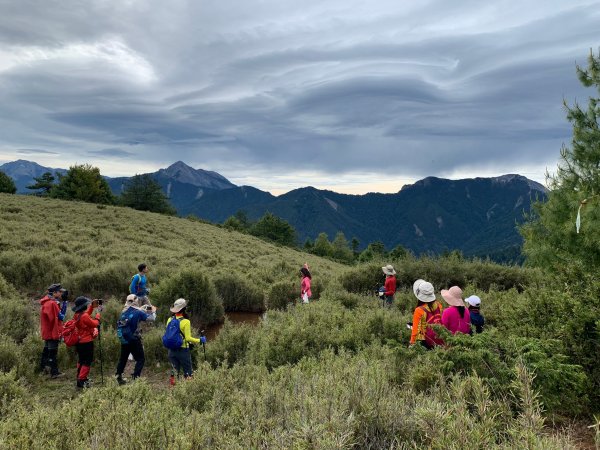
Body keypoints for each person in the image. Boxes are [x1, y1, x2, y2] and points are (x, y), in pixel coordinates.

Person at [115, 294, 157, 385]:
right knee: (140, 359)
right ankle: (135, 378)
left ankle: (118, 377)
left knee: (123, 359)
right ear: (136, 301)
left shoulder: (124, 311)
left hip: (124, 339)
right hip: (134, 339)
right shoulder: (138, 312)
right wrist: (153, 311)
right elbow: (152, 319)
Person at [166, 298, 200, 382]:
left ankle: (173, 391)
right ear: (184, 309)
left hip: (171, 350)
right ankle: (188, 391)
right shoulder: (186, 322)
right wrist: (200, 340)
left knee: (174, 371)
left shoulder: (169, 319)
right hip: (183, 351)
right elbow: (188, 338)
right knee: (188, 372)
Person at [39, 283, 68, 378]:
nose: (61, 293)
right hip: (52, 332)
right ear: (54, 292)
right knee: (52, 352)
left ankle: (44, 369)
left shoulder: (46, 302)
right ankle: (54, 373)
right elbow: (61, 317)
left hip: (47, 331)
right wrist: (65, 304)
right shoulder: (52, 303)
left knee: (46, 350)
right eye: (59, 292)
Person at [72, 296, 101, 389]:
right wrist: (98, 317)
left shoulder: (77, 314)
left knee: (81, 360)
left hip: (79, 342)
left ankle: (79, 378)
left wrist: (92, 307)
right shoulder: (83, 316)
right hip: (86, 342)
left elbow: (86, 315)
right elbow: (94, 324)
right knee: (87, 361)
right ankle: (82, 380)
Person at [409, 279, 444, 349]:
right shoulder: (439, 305)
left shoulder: (419, 310)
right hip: (438, 337)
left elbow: (415, 332)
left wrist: (411, 344)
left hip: (425, 341)